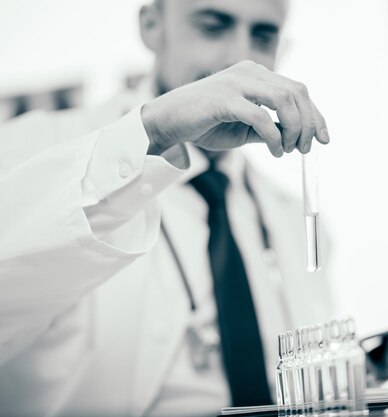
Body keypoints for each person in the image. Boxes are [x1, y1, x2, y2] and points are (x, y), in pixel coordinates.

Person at [0, 0, 336, 415]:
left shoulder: (285, 211)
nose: (240, 58)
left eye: (263, 36)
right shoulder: (31, 150)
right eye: (213, 26)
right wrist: (155, 130)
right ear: (152, 26)